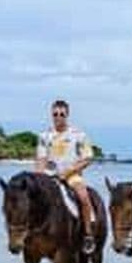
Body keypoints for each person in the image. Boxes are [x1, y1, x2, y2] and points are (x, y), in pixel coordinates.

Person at [35, 99, 96, 253]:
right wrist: (38, 178)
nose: (58, 117)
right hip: (49, 176)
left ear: (67, 115)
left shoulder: (78, 135)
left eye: (62, 114)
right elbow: (41, 160)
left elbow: (87, 159)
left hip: (71, 175)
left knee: (83, 197)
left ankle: (88, 234)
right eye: (55, 114)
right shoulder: (44, 136)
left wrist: (67, 173)